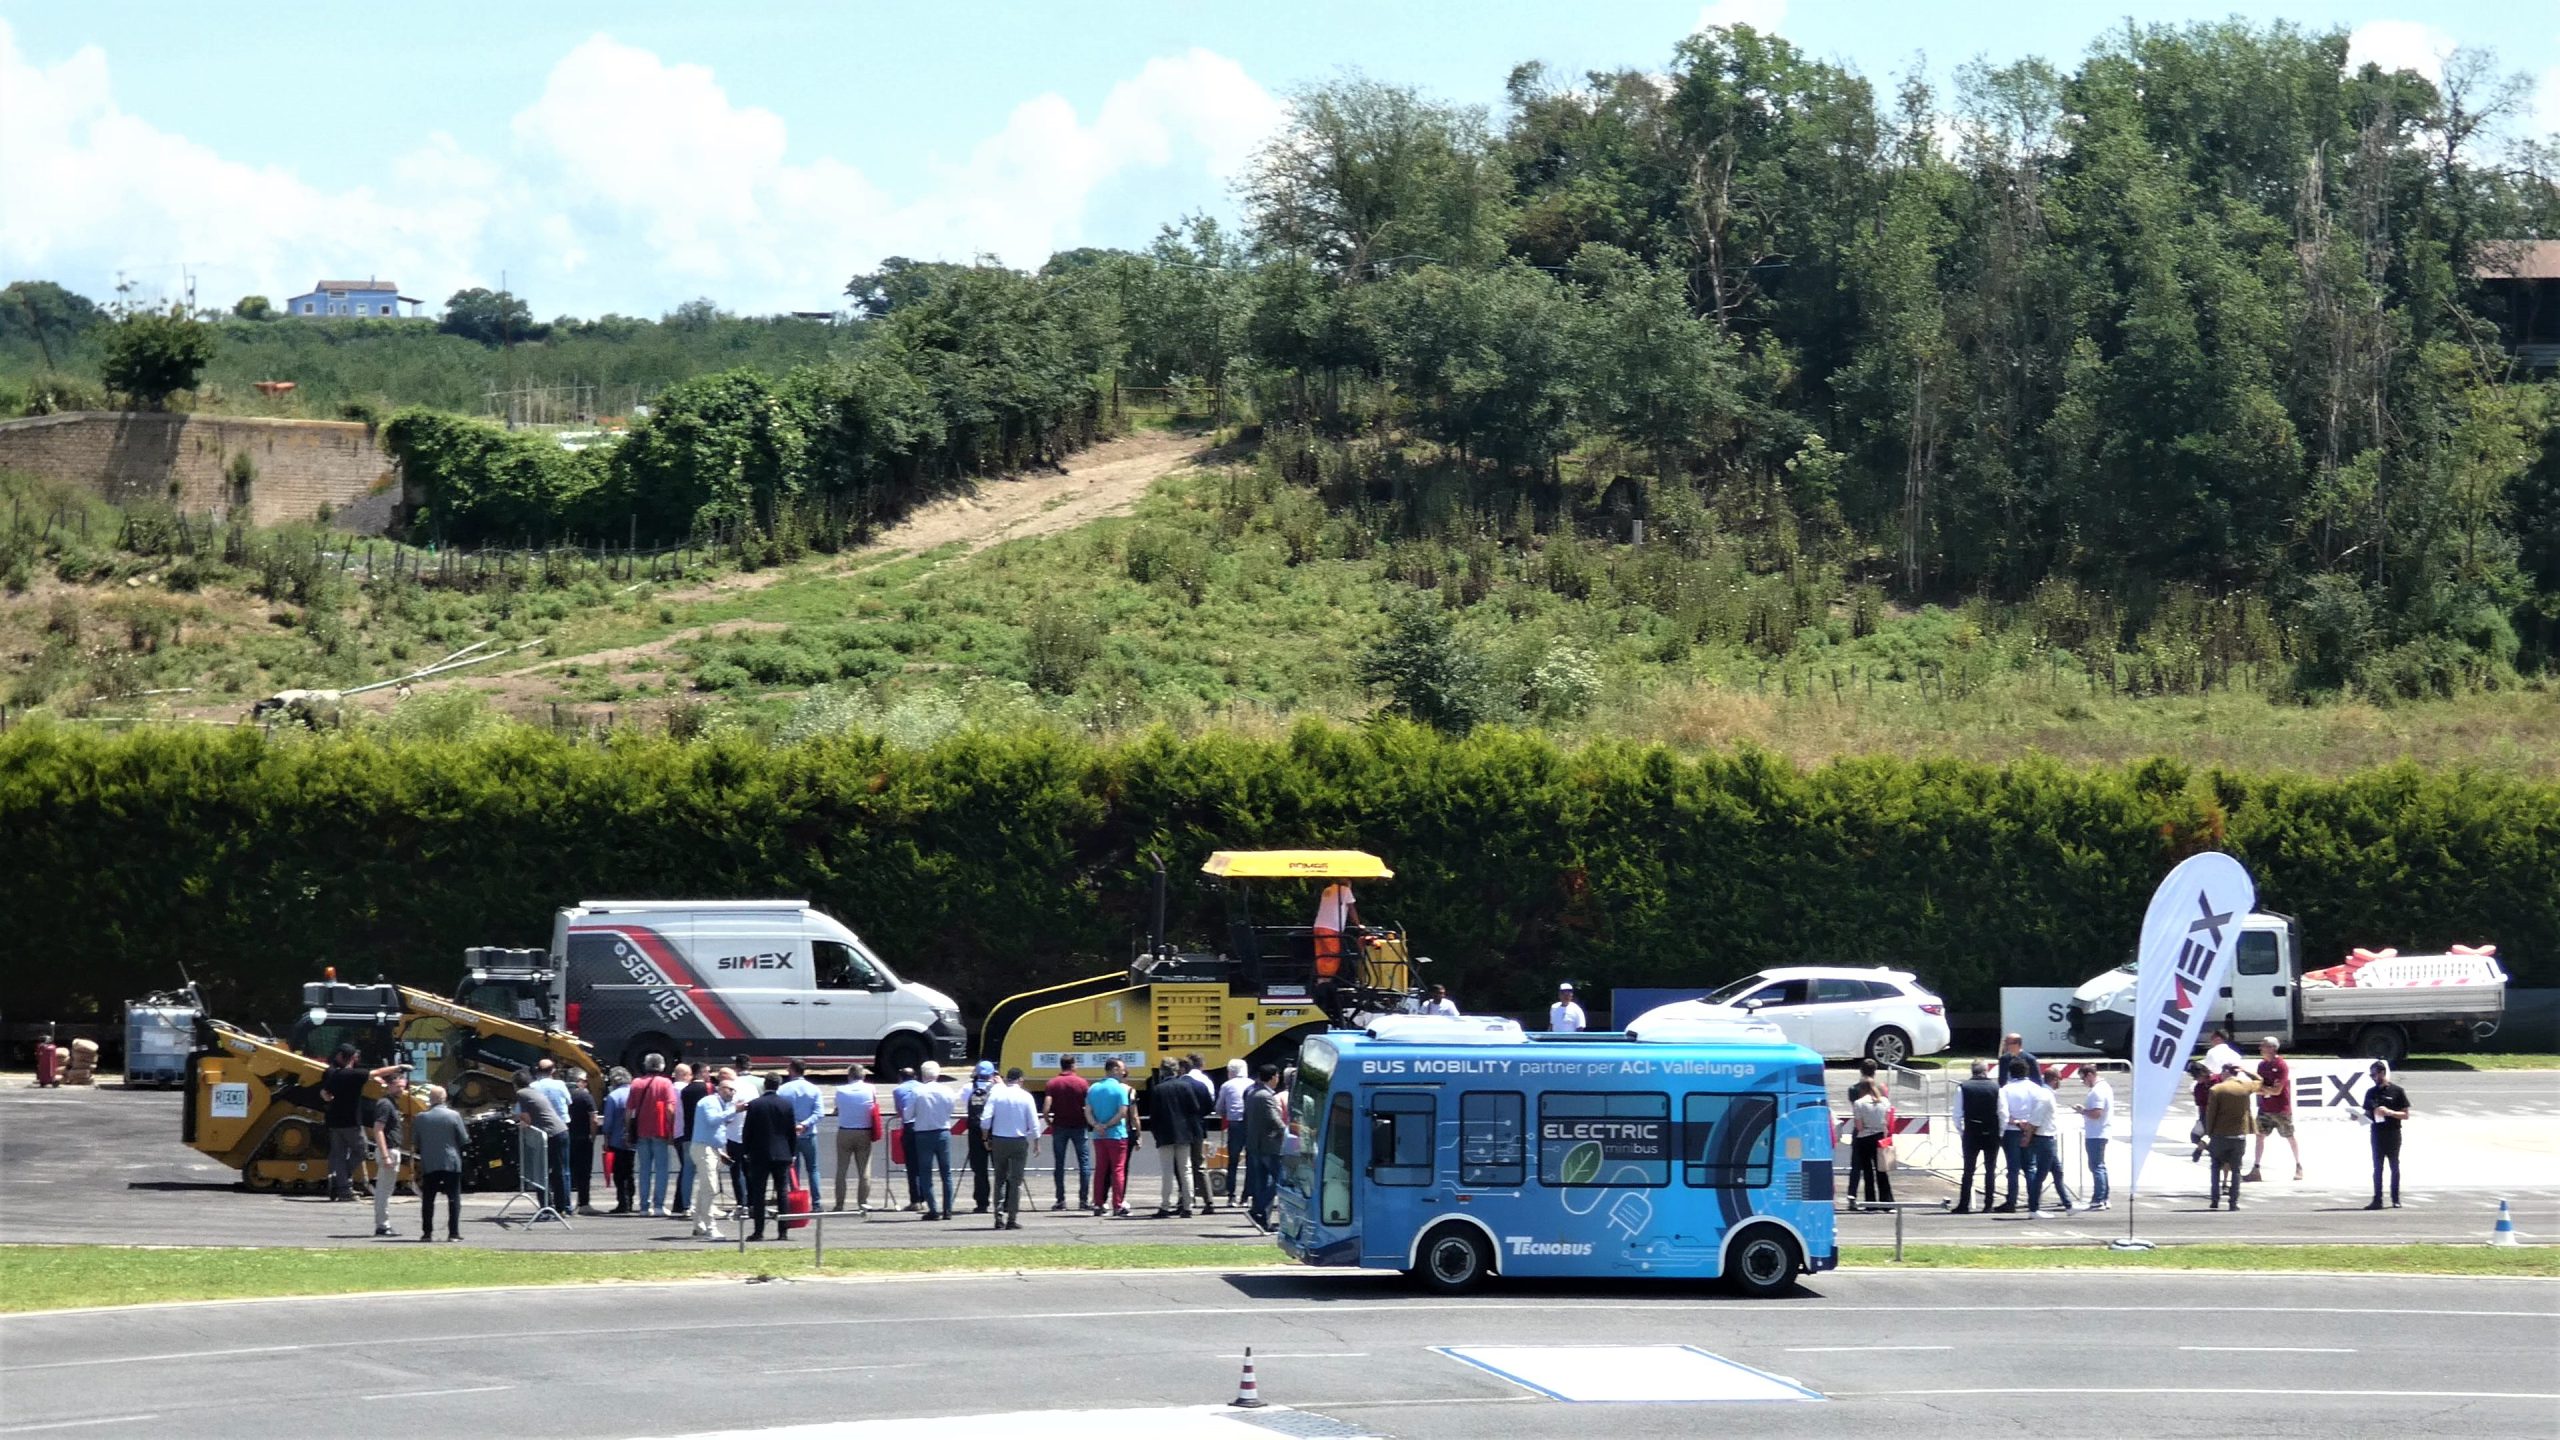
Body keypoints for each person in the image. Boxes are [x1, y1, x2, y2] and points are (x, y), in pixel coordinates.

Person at [319, 1045, 396, 1203]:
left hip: (334, 1121)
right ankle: (341, 1181)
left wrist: (329, 1099)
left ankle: (343, 1188)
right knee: (361, 1151)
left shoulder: (333, 1074)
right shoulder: (356, 1075)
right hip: (351, 1122)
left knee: (339, 1155)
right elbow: (378, 1072)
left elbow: (324, 1093)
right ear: (352, 1058)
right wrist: (399, 1067)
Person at [738, 1073, 799, 1241]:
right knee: (782, 1192)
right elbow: (791, 1133)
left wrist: (746, 1150)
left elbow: (747, 1131)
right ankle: (783, 1231)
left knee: (759, 1193)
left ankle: (759, 1231)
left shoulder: (756, 1105)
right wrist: (792, 1153)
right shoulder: (786, 1105)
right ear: (778, 1086)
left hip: (760, 1153)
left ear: (765, 1085)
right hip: (782, 1153)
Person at [982, 1067, 1041, 1230]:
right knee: (1016, 1181)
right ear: (1020, 1080)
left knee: (999, 1179)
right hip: (1018, 1140)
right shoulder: (1026, 1096)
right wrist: (1036, 1141)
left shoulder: (997, 1095)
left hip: (1000, 1140)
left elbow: (985, 1119)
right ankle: (1012, 1218)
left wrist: (985, 1137)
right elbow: (1034, 1122)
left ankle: (998, 1217)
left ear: (1007, 1079)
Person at [1146, 1061, 1205, 1218]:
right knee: (1185, 1170)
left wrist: (1156, 1134)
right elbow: (1195, 1109)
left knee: (1167, 1172)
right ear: (1176, 1071)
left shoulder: (1158, 1089)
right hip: (1184, 1134)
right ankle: (1187, 1206)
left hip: (1165, 1134)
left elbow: (1154, 1116)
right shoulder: (1185, 1087)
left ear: (1163, 1072)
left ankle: (1165, 1206)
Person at [627, 1054, 682, 1218]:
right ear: (662, 1066)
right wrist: (672, 1130)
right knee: (661, 1169)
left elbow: (629, 1110)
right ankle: (659, 1205)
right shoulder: (665, 1083)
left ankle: (644, 1206)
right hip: (660, 1130)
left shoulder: (636, 1083)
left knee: (644, 1170)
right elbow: (670, 1109)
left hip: (642, 1131)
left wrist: (628, 1130)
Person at [410, 1085, 468, 1242]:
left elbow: (415, 1141)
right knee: (454, 1198)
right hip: (451, 1161)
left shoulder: (421, 1117)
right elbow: (463, 1138)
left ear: (430, 1099)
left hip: (429, 1162)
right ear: (444, 1098)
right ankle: (453, 1233)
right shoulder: (454, 1115)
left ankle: (427, 1233)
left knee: (428, 1199)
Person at [2204, 1063, 2262, 1211]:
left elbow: (2210, 1114)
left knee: (2215, 1167)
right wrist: (2246, 1071)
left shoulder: (2216, 1089)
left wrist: (2209, 1133)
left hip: (2219, 1134)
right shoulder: (2245, 1086)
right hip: (2239, 1135)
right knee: (2236, 1170)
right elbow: (2259, 1080)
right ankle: (2233, 1202)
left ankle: (2215, 1200)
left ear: (2225, 1072)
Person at [906, 1061, 959, 1219]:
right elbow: (951, 1110)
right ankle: (948, 1209)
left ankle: (933, 1209)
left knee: (925, 1173)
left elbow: (908, 1114)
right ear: (938, 1074)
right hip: (943, 1131)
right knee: (946, 1173)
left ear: (922, 1075)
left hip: (923, 1133)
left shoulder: (917, 1092)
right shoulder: (947, 1090)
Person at [511, 1066, 569, 1212]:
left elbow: (526, 1118)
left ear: (515, 1084)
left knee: (541, 1170)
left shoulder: (521, 1093)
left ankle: (546, 1206)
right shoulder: (533, 1091)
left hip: (550, 1134)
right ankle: (561, 1207)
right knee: (558, 1170)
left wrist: (517, 1122)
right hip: (560, 1129)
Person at [2244, 1036, 2301, 1183]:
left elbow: (2277, 1091)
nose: (2260, 1048)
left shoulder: (2281, 1065)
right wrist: (2263, 1089)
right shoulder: (2262, 1065)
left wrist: (2262, 1089)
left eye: (2263, 1046)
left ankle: (2298, 1165)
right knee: (2259, 1136)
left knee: (2289, 1136)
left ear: (2272, 1048)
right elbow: (2259, 1086)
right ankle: (2256, 1169)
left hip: (2281, 1109)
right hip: (2265, 1108)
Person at [688, 1074, 738, 1238]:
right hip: (703, 1148)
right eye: (730, 1089)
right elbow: (712, 1120)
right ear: (721, 1089)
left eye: (734, 1090)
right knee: (711, 1187)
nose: (732, 1093)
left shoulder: (721, 1104)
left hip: (711, 1148)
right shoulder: (710, 1102)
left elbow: (715, 1129)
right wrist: (734, 1110)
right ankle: (711, 1227)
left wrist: (720, 1150)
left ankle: (698, 1223)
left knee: (705, 1188)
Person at [1087, 1057, 1138, 1218]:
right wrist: (1108, 1125)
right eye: (1122, 1068)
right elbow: (1123, 1112)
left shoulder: (1093, 1088)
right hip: (1116, 1134)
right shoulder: (1121, 1089)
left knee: (1100, 1169)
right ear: (1114, 1069)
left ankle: (1098, 1203)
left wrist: (1096, 1125)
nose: (1124, 1071)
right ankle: (1117, 1204)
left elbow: (1087, 1110)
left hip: (1098, 1135)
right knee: (1118, 1170)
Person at [830, 1066, 881, 1214]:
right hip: (864, 1131)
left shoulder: (840, 1090)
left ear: (849, 1076)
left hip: (845, 1131)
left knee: (841, 1170)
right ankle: (862, 1203)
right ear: (863, 1076)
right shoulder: (871, 1089)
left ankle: (839, 1204)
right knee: (864, 1169)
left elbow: (837, 1109)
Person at [1044, 1056, 1092, 1212]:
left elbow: (1047, 1107)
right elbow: (1088, 1105)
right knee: (1084, 1163)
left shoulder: (1053, 1083)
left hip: (1060, 1126)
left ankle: (1060, 1200)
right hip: (1079, 1125)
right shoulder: (1082, 1083)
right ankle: (1083, 1200)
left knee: (1059, 1164)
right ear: (1072, 1065)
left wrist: (1048, 1120)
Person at [1243, 1063, 1287, 1230]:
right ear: (1273, 1077)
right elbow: (1274, 1120)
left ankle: (1263, 1219)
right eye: (1277, 1076)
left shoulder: (1252, 1093)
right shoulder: (1265, 1096)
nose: (1278, 1079)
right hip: (1269, 1145)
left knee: (1261, 1182)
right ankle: (1258, 1209)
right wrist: (1287, 1132)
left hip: (1255, 1144)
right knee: (1280, 1179)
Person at [1953, 1059, 2001, 1214]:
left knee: (1968, 1170)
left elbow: (1957, 1115)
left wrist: (1962, 1132)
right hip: (1992, 1131)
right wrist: (2000, 1132)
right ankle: (1988, 1205)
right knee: (1990, 1170)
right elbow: (2003, 1112)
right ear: (1986, 1071)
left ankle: (1964, 1204)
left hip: (1971, 1131)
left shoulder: (1963, 1087)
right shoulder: (1996, 1087)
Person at [367, 1069, 410, 1237]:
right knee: (383, 1191)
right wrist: (385, 1155)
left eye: (403, 1087)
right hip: (389, 1150)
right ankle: (382, 1225)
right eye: (399, 1086)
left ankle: (383, 1223)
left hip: (393, 1150)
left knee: (386, 1190)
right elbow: (378, 1129)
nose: (402, 1090)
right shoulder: (385, 1104)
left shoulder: (392, 1103)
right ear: (390, 1085)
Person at [777, 1060, 824, 1206]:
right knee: (813, 1168)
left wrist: (792, 1126)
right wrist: (805, 1124)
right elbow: (819, 1113)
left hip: (789, 1136)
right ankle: (817, 1203)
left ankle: (796, 1201)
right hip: (809, 1134)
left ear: (791, 1070)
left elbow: (780, 1112)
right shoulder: (814, 1089)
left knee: (792, 1169)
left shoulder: (783, 1090)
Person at [2363, 1062, 2410, 1209]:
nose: (2373, 1078)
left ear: (2383, 1073)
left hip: (2393, 1132)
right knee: (2378, 1167)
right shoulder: (2371, 1092)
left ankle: (2395, 1198)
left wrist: (2389, 1112)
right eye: (2371, 1075)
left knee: (2394, 1165)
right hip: (2377, 1133)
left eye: (2375, 1074)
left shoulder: (2397, 1091)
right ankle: (2377, 1199)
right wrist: (2358, 1117)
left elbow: (2405, 1115)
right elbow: (2367, 1113)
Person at [1180, 1055, 1218, 1214]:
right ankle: (1209, 1201)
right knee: (1200, 1165)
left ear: (1182, 1069)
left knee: (1183, 1166)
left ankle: (1186, 1200)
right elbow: (1210, 1107)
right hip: (1198, 1128)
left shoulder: (1178, 1085)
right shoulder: (1201, 1085)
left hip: (1181, 1130)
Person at [1848, 1079, 1893, 1210]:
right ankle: (1887, 1202)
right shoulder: (1884, 1101)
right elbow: (1888, 1121)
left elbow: (1859, 1126)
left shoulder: (1859, 1103)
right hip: (1880, 1137)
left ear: (1861, 1089)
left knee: (1868, 1172)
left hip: (1865, 1138)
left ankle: (1871, 1203)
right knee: (1882, 1171)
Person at [962, 1060, 998, 1214]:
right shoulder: (997, 1089)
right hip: (994, 1132)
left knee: (979, 1169)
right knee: (1001, 1169)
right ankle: (1003, 1200)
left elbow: (960, 1100)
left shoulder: (968, 1088)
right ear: (992, 1074)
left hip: (975, 1133)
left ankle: (982, 1203)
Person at [2077, 1067, 2114, 1211]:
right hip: (2101, 1131)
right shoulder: (2105, 1087)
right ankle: (2103, 1197)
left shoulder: (2097, 1091)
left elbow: (2096, 1113)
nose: (2083, 1082)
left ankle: (2099, 1198)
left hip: (2096, 1132)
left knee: (2096, 1166)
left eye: (2084, 1078)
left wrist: (2082, 1111)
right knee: (2100, 1166)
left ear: (2090, 1075)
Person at [1216, 1060, 1253, 1203]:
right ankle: (1246, 1196)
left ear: (1231, 1071)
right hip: (1250, 1123)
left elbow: (1219, 1107)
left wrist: (1226, 1111)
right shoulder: (1252, 1084)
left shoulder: (1227, 1085)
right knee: (1251, 1160)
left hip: (1234, 1123)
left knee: (1233, 1160)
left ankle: (1231, 1195)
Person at [601, 1067, 636, 1214]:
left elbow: (608, 1121)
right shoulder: (634, 1093)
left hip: (616, 1138)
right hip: (633, 1138)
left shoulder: (613, 1096)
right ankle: (631, 1201)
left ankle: (623, 1202)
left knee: (619, 1173)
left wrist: (606, 1136)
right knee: (630, 1171)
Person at [892, 1066, 927, 1212]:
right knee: (924, 1165)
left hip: (909, 1127)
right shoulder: (923, 1087)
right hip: (925, 1126)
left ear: (901, 1078)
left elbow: (899, 1112)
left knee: (912, 1167)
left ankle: (915, 1201)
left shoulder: (898, 1090)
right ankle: (925, 1198)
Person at [564, 1068, 599, 1215]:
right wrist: (593, 1135)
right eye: (585, 1080)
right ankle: (583, 1203)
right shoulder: (584, 1096)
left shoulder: (563, 1094)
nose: (586, 1083)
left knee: (566, 1171)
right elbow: (594, 1119)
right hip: (583, 1138)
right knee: (584, 1172)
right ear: (579, 1081)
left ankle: (564, 1203)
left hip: (565, 1137)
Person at [672, 1062, 705, 1215]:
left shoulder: (680, 1090)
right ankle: (692, 1204)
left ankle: (683, 1204)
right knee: (705, 1171)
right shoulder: (703, 1090)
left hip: (682, 1133)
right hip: (699, 1135)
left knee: (687, 1170)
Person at [1312, 881, 1358, 981]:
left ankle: (1320, 979)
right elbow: (1351, 909)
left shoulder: (1327, 890)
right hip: (1331, 928)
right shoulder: (1345, 890)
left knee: (1321, 955)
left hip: (1319, 926)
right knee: (1333, 956)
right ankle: (1327, 981)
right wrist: (1358, 924)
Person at [2186, 1058, 2215, 1163]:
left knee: (2215, 1136)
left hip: (2220, 1114)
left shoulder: (2217, 1080)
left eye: (2197, 1076)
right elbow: (2200, 1106)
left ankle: (2209, 1148)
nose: (2196, 1079)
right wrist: (2201, 1120)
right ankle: (2209, 1148)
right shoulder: (2198, 1088)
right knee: (2195, 1136)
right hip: (2206, 1115)